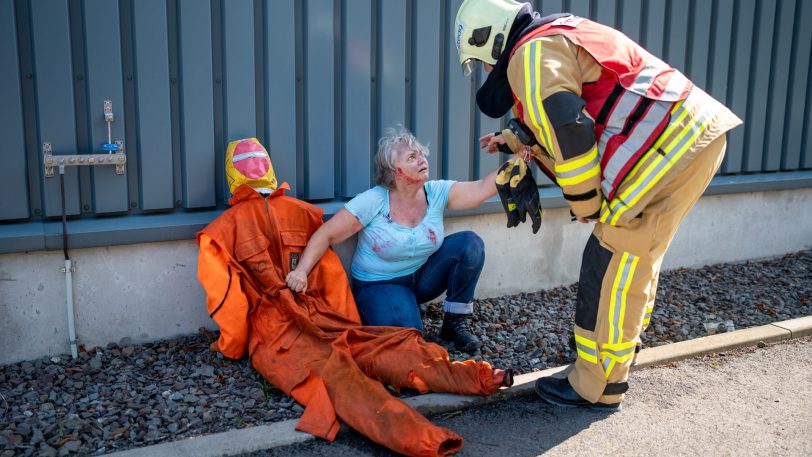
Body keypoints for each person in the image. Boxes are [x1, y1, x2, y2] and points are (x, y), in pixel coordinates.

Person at [454, 0, 741, 409]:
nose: (486, 72)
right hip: (689, 141)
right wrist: (514, 140)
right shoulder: (555, 35)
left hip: (661, 156)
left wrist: (584, 203)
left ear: (492, 38)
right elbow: (574, 107)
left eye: (483, 61)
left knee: (607, 265)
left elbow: (570, 131)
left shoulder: (528, 55)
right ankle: (619, 354)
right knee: (635, 263)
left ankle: (596, 383)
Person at [286, 126, 517, 353]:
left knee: (470, 244)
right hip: (380, 283)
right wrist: (301, 271)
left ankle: (454, 324)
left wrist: (524, 153)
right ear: (394, 169)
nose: (422, 160)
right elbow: (326, 234)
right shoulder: (373, 201)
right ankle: (399, 308)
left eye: (421, 155)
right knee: (409, 342)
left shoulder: (435, 192)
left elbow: (483, 188)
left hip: (422, 276)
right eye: (412, 157)